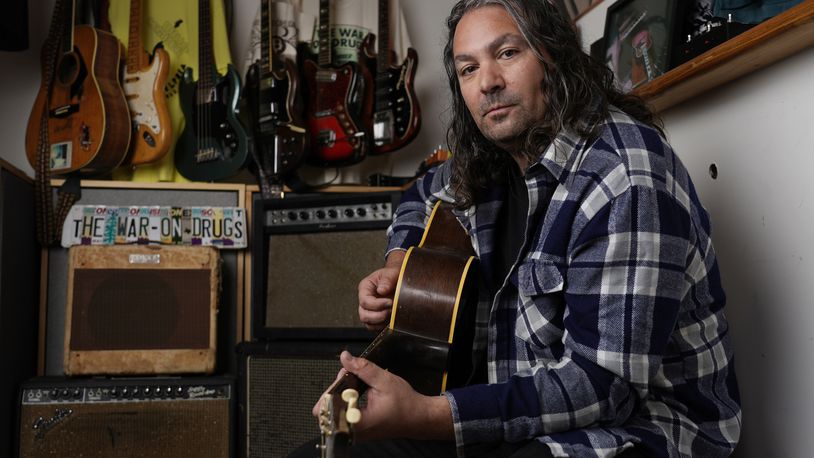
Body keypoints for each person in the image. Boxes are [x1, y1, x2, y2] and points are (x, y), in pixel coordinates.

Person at [309, 1, 742, 456]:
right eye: (469, 69)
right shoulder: (492, 160)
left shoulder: (625, 176)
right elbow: (418, 197)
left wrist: (426, 414)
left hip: (641, 431)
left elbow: (603, 387)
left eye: (508, 53)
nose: (488, 82)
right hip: (517, 408)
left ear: (552, 56)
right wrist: (400, 263)